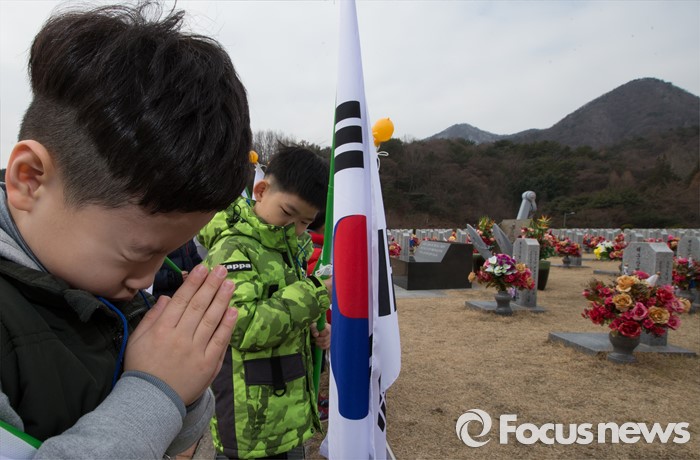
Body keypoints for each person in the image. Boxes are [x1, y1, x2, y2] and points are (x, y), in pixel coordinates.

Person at [0, 2, 251, 458]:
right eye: (138, 254)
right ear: (30, 179)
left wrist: (186, 380)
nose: (147, 279)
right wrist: (155, 390)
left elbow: (174, 436)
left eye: (167, 253)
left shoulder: (113, 295)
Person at [198, 145, 331, 459]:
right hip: (250, 425)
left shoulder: (290, 249)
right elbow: (244, 326)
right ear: (261, 191)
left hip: (288, 412)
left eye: (305, 222)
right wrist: (315, 293)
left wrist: (312, 328)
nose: (294, 228)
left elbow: (285, 313)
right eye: (287, 212)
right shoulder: (233, 247)